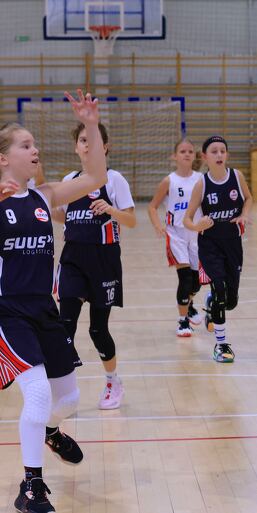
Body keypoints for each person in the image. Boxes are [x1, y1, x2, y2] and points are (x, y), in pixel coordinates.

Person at [0, 90, 106, 513]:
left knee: (69, 401)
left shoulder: (43, 197)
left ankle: (48, 432)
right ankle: (31, 488)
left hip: (44, 308)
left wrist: (91, 125)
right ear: (4, 158)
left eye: (35, 145)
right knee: (39, 394)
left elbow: (94, 175)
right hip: (8, 311)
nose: (35, 150)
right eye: (25, 145)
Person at [52, 121, 136, 410]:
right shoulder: (70, 179)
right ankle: (63, 392)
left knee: (98, 330)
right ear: (76, 147)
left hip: (104, 260)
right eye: (83, 140)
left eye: (95, 140)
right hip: (73, 258)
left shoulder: (114, 180)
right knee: (65, 324)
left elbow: (131, 220)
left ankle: (113, 381)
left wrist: (110, 210)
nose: (88, 145)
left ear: (106, 147)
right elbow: (62, 215)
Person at [183, 135, 252, 363]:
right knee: (220, 287)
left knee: (230, 301)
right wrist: (197, 226)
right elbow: (187, 219)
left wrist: (244, 214)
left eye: (223, 150)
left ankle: (211, 302)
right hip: (210, 245)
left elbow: (248, 198)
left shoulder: (237, 177)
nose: (219, 154)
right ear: (205, 157)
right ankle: (221, 345)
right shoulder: (202, 184)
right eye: (214, 151)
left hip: (233, 244)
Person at [148, 139, 204, 337]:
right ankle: (182, 322)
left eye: (190, 151)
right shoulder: (169, 181)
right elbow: (152, 206)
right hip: (176, 234)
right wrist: (158, 225)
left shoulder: (201, 179)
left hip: (196, 234)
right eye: (182, 151)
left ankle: (189, 306)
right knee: (185, 278)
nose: (187, 154)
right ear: (174, 156)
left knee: (197, 282)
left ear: (195, 156)